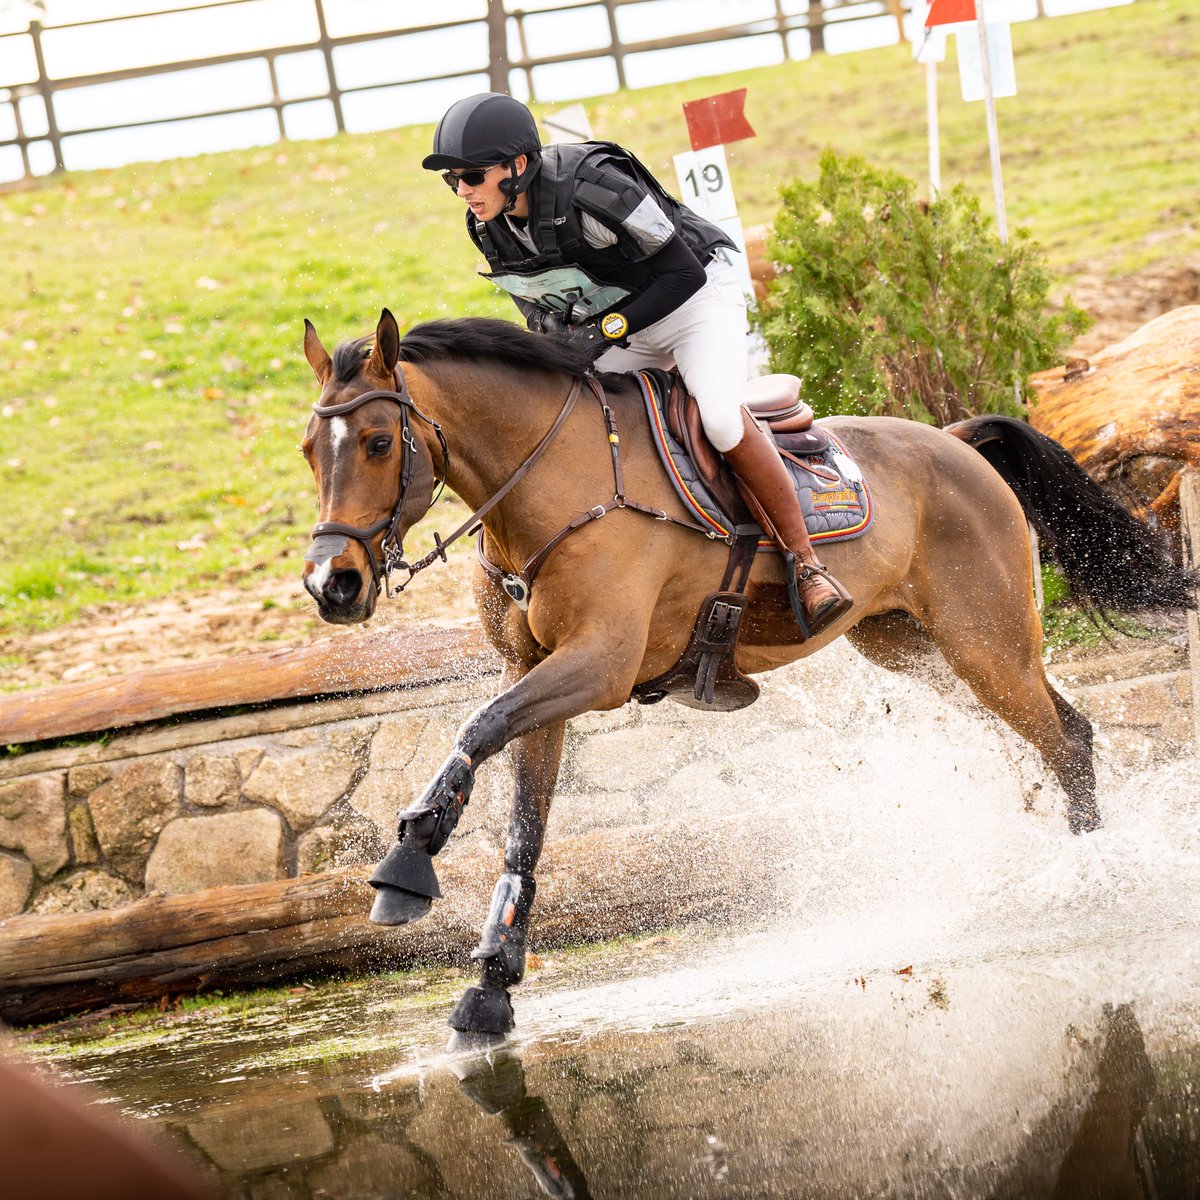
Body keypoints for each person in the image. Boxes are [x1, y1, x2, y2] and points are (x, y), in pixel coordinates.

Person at [422, 92, 851, 634]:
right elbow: (536, 303)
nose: (462, 190)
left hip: (695, 301)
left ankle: (807, 565)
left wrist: (603, 332)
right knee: (581, 421)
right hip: (624, 317)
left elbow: (683, 274)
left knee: (719, 418)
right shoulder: (487, 225)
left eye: (472, 176)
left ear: (519, 165)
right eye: (452, 180)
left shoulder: (596, 185)